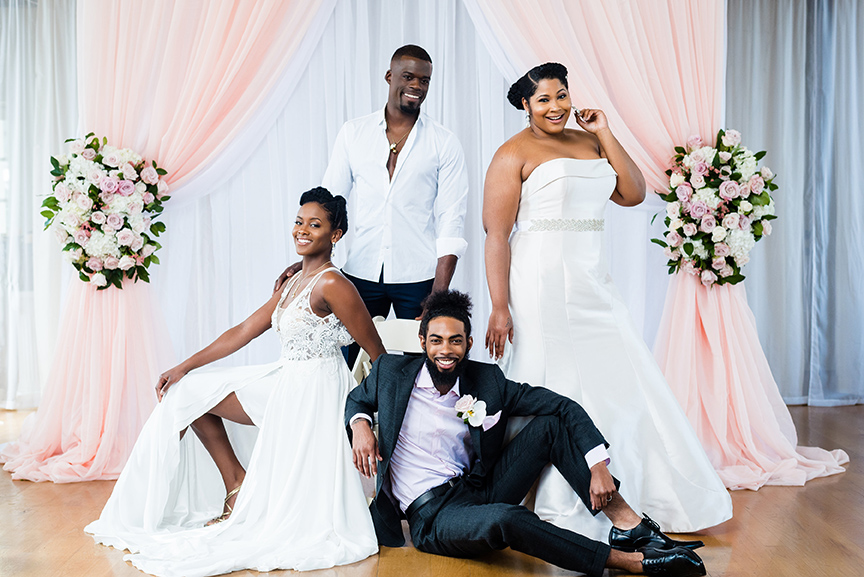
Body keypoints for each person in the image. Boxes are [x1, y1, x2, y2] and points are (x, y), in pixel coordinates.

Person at [482, 63, 733, 541]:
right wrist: (499, 306)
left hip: (591, 277)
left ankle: (640, 487)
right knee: (552, 373)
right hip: (541, 281)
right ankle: (555, 497)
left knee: (621, 374)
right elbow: (497, 234)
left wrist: (605, 132)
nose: (556, 107)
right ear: (524, 106)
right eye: (543, 100)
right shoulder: (512, 153)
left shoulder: (591, 141)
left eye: (562, 96)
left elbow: (633, 194)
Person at [85, 188, 385, 577]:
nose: (303, 230)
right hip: (286, 380)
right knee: (189, 393)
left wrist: (362, 418)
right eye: (298, 222)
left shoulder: (333, 284)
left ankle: (248, 497)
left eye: (315, 225)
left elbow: (378, 355)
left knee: (194, 397)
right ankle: (236, 484)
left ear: (336, 235)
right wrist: (184, 367)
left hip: (317, 392)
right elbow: (243, 330)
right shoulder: (294, 280)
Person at [346, 290, 707, 577]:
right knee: (508, 518)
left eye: (455, 341)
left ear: (468, 344)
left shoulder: (487, 381)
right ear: (423, 341)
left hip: (478, 489)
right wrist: (361, 424)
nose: (446, 351)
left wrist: (598, 464)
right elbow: (355, 401)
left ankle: (628, 525)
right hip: (433, 518)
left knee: (549, 425)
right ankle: (633, 562)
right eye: (436, 340)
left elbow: (562, 406)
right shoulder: (391, 371)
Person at [275, 45, 469, 360]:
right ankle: (355, 411)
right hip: (358, 272)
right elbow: (329, 205)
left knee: (418, 366)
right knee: (348, 361)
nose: (417, 86)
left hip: (418, 276)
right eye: (408, 77)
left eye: (425, 80)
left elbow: (452, 219)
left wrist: (439, 293)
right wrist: (307, 262)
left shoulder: (444, 143)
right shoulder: (354, 133)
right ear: (389, 77)